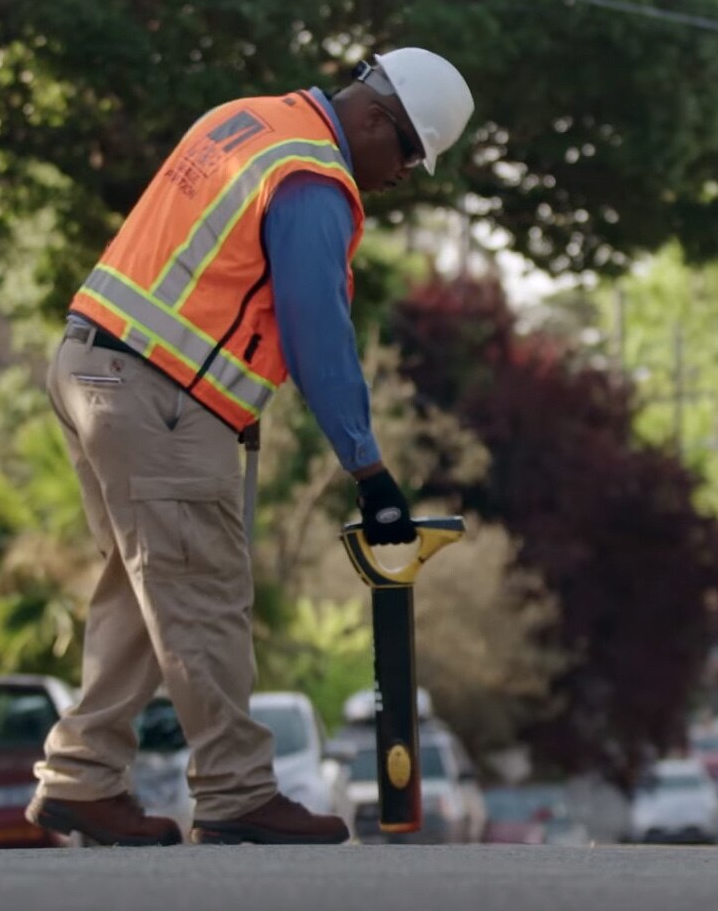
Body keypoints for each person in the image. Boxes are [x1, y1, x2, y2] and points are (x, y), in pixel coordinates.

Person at [25, 49, 475, 846]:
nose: (405, 173)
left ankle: (81, 778)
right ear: (373, 118)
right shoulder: (310, 178)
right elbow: (317, 332)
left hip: (92, 367)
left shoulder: (248, 121)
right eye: (407, 151)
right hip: (156, 395)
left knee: (141, 592)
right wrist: (369, 469)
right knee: (203, 594)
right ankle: (236, 792)